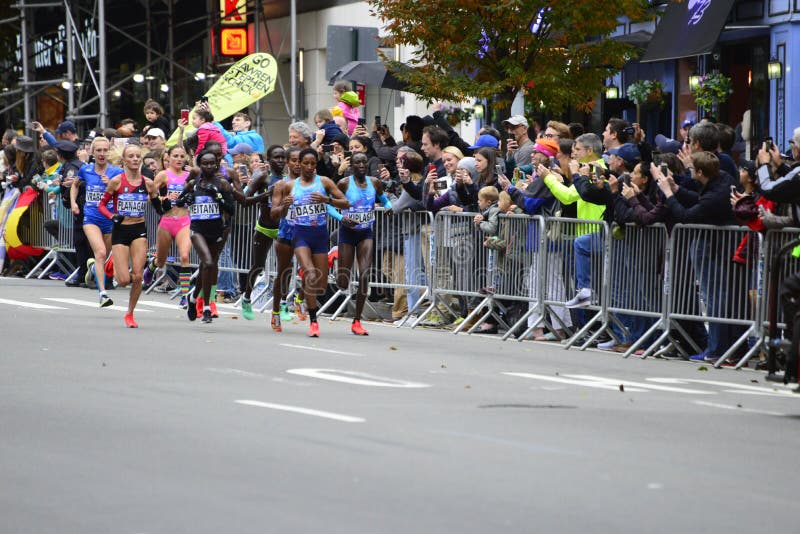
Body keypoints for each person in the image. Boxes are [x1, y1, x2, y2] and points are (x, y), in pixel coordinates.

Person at [270, 148, 349, 337]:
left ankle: (301, 297)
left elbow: (344, 202)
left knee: (319, 283)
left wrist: (327, 200)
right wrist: (284, 206)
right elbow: (274, 214)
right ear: (291, 163)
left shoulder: (322, 182)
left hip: (317, 233)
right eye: (300, 162)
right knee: (285, 273)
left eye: (312, 163)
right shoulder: (284, 185)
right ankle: (277, 312)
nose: (306, 166)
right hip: (291, 232)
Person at [96, 144, 162, 327]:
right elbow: (101, 206)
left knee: (138, 276)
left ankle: (130, 314)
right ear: (124, 160)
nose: (135, 159)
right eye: (131, 156)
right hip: (120, 230)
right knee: (124, 280)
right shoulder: (116, 181)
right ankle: (109, 264)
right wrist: (112, 216)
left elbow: (160, 208)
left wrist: (169, 204)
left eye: (137, 156)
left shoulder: (148, 183)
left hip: (139, 229)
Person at [176, 150, 237, 323]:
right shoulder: (193, 184)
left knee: (206, 266)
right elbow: (179, 202)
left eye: (212, 163)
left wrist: (218, 197)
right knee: (209, 263)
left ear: (216, 165)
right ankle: (207, 308)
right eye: (205, 163)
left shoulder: (222, 184)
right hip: (197, 230)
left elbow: (231, 209)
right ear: (199, 166)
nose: (209, 166)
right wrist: (187, 199)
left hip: (216, 230)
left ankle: (193, 297)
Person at [336, 152, 392, 335]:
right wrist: (341, 218)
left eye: (364, 162)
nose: (361, 165)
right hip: (347, 233)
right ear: (351, 165)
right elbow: (328, 204)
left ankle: (357, 321)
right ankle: (338, 271)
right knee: (343, 282)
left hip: (365, 233)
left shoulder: (374, 182)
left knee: (365, 274)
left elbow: (384, 200)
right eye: (357, 162)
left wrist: (388, 207)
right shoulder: (344, 183)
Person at [71, 136, 123, 306]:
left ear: (109, 152)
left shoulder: (117, 172)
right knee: (100, 253)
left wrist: (112, 185)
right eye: (98, 150)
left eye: (105, 150)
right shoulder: (85, 170)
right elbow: (75, 185)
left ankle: (93, 268)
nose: (102, 153)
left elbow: (124, 192)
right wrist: (73, 203)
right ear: (92, 152)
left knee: (105, 255)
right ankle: (103, 294)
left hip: (109, 219)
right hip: (91, 218)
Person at [240, 145, 286, 322]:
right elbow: (245, 200)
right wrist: (266, 195)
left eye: (283, 157)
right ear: (268, 160)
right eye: (276, 157)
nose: (280, 160)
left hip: (283, 227)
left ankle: (283, 303)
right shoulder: (262, 176)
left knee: (285, 267)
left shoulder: (289, 178)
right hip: (264, 227)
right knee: (258, 265)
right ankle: (246, 298)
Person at [143, 145, 193, 306]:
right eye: (175, 156)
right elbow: (149, 197)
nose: (179, 159)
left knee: (184, 256)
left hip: (184, 221)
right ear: (169, 158)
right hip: (167, 221)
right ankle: (152, 266)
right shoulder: (163, 175)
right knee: (161, 261)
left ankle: (184, 295)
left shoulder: (189, 175)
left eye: (182, 156)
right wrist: (165, 198)